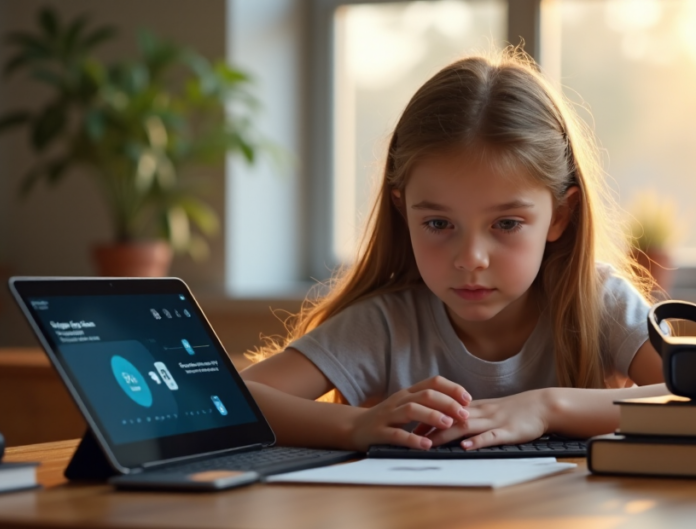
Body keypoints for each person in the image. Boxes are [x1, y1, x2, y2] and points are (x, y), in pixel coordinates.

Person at [241, 49, 670, 452]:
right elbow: (231, 400)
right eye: (438, 224)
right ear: (403, 210)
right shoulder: (386, 326)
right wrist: (356, 426)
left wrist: (545, 407)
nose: (470, 258)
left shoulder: (600, 303)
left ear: (559, 215)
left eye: (506, 224)